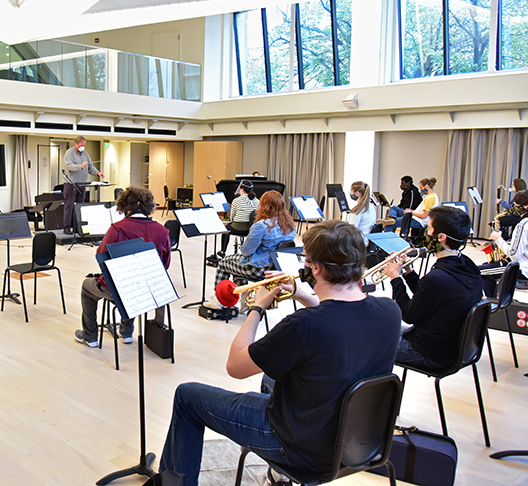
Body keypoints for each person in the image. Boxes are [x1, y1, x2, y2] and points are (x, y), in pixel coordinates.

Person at [157, 221, 401, 486]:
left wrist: (256, 308)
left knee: (187, 396)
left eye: (305, 260)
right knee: (272, 378)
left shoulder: (304, 325)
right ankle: (278, 476)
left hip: (301, 448)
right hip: (356, 442)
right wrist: (301, 295)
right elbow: (340, 315)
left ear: (316, 268)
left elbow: (236, 367)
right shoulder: (390, 311)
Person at [383, 205, 484, 370]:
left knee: (366, 337)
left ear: (441, 237)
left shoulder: (438, 277)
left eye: (428, 229)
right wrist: (409, 273)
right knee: (378, 326)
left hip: (429, 352)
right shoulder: (467, 265)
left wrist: (395, 278)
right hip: (452, 347)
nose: (425, 233)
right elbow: (429, 297)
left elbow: (408, 315)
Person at [74, 186, 171, 347]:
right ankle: (126, 332)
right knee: (136, 283)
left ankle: (90, 336)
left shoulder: (117, 229)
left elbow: (101, 256)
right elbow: (165, 264)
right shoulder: (162, 231)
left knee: (87, 287)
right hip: (148, 290)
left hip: (121, 289)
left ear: (125, 205)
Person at [204, 190, 295, 311]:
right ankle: (245, 300)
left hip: (258, 269)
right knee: (236, 266)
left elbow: (246, 251)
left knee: (224, 262)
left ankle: (218, 300)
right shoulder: (290, 225)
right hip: (275, 271)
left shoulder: (261, 225)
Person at [481, 190, 528, 296]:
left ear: (525, 206)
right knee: (488, 266)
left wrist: (498, 239)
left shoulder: (524, 224)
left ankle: (495, 306)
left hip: (522, 269)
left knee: (480, 272)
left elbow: (514, 255)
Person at [63, 136, 104, 234]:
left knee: (80, 205)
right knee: (69, 206)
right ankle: (67, 227)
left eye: (84, 146)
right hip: (71, 184)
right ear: (76, 144)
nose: (83, 147)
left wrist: (98, 173)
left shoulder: (85, 154)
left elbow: (90, 167)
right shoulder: (69, 153)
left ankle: (78, 226)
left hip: (83, 184)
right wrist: (80, 166)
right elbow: (68, 166)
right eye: (81, 145)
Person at [218, 179, 259, 255]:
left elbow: (232, 217)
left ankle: (223, 251)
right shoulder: (257, 201)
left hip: (237, 228)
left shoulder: (236, 200)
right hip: (251, 229)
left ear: (242, 189)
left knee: (225, 231)